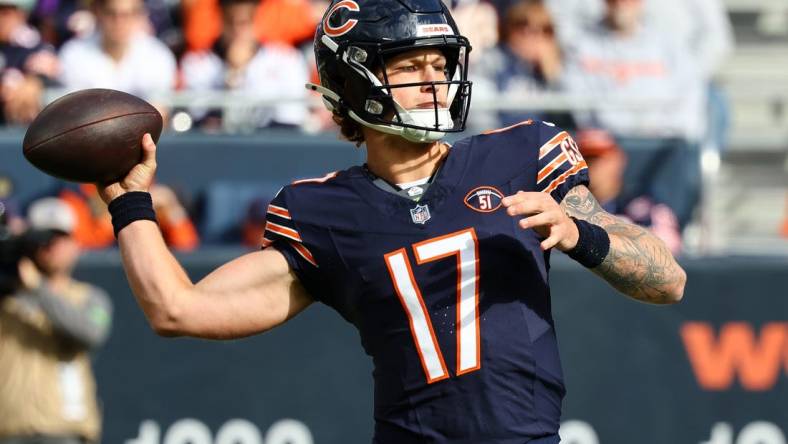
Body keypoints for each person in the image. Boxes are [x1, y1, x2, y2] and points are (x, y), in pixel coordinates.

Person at [96, 1, 685, 442]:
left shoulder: (521, 155)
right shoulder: (323, 212)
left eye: (441, 62)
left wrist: (582, 233)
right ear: (353, 81)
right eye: (412, 65)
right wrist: (130, 202)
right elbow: (177, 308)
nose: (435, 79)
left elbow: (668, 281)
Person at [0, 198, 112, 444]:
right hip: (9, 431)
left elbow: (91, 332)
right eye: (42, 238)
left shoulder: (90, 298)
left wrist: (38, 288)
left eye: (59, 237)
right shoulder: (7, 297)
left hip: (62, 430)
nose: (50, 246)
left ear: (75, 243)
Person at [180, 0, 310, 130]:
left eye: (244, 22)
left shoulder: (288, 61)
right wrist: (232, 74)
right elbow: (199, 122)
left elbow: (291, 121)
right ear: (220, 19)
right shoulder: (196, 64)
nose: (237, 30)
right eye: (230, 21)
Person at [57, 0, 176, 115]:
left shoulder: (158, 56)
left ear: (140, 15)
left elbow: (159, 112)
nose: (119, 22)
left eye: (126, 14)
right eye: (111, 13)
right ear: (98, 12)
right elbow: (75, 113)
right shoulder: (74, 54)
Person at [0, 0, 60, 125]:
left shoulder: (37, 49)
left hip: (20, 134)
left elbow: (50, 81)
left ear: (22, 14)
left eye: (5, 12)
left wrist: (35, 82)